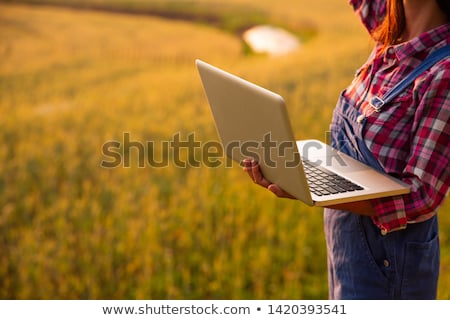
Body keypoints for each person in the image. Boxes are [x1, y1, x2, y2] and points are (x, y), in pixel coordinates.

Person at [243, 0, 450, 299]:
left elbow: (422, 196)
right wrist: (310, 182)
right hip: (347, 249)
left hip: (389, 268)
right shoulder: (389, 28)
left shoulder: (443, 72)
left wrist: (316, 189)